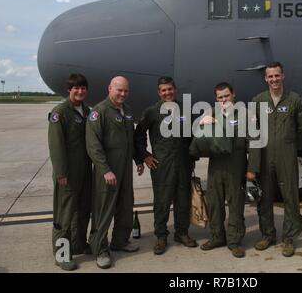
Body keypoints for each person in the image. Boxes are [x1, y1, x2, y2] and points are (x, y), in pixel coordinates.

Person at [246, 62, 302, 257]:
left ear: (283, 76)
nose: (274, 79)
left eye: (277, 76)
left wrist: (284, 141)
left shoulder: (294, 100)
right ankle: (268, 235)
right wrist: (253, 164)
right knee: (265, 198)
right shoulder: (258, 101)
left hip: (286, 156)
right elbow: (253, 133)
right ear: (265, 79)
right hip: (264, 157)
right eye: (270, 76)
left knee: (290, 197)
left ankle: (289, 238)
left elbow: (300, 126)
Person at [134, 77, 197, 255]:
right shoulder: (152, 111)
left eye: (170, 89)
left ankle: (182, 233)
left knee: (183, 200)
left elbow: (192, 136)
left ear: (175, 90)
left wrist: (192, 158)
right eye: (164, 90)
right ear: (159, 93)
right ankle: (161, 236)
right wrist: (145, 155)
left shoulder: (185, 110)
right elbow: (138, 135)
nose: (167, 93)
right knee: (162, 202)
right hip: (161, 165)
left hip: (183, 163)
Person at [86, 76, 143, 269]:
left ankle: (120, 241)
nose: (123, 94)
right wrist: (105, 170)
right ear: (110, 88)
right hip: (108, 172)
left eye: (126, 91)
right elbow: (93, 146)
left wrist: (138, 160)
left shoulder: (127, 111)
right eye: (119, 90)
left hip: (125, 170)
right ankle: (100, 249)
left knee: (126, 206)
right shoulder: (99, 111)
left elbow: (131, 140)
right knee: (104, 210)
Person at [48, 74, 92, 271]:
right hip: (67, 173)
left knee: (83, 210)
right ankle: (62, 253)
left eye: (83, 88)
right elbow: (56, 146)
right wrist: (60, 173)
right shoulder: (60, 112)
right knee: (65, 214)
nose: (80, 91)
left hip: (84, 171)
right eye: (76, 88)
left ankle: (78, 243)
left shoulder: (86, 111)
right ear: (69, 90)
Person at [198, 82, 247, 258]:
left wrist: (253, 169)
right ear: (216, 99)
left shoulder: (244, 114)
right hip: (216, 167)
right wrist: (203, 124)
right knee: (214, 203)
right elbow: (197, 137)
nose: (224, 99)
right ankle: (217, 237)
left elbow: (255, 143)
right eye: (220, 97)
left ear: (233, 94)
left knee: (235, 204)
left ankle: (234, 241)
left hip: (236, 165)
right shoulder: (211, 112)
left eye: (226, 95)